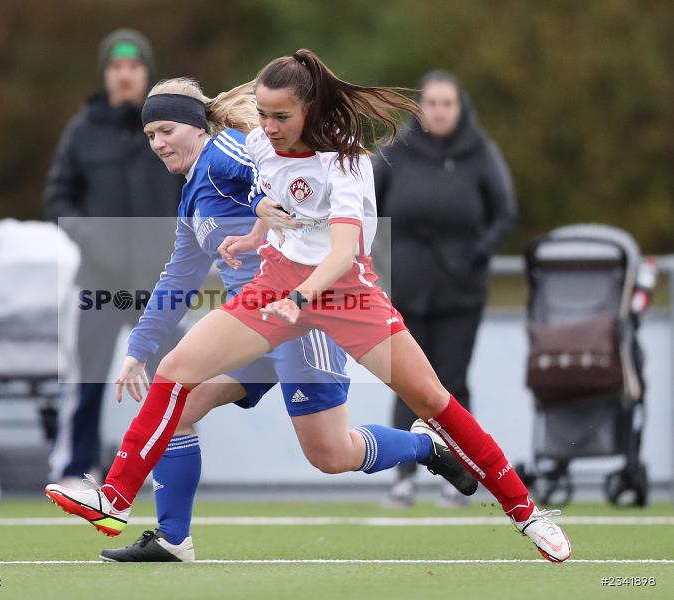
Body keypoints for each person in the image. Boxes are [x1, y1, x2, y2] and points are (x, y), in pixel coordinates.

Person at [46, 49, 572, 563]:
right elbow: (264, 197)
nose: (268, 127)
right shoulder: (255, 143)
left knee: (425, 403)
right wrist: (255, 235)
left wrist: (299, 296)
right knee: (176, 372)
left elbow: (342, 251)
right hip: (276, 290)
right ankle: (116, 500)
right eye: (265, 114)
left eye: (281, 117)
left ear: (310, 110)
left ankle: (525, 511)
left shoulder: (343, 160)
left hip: (345, 294)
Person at [43, 29, 183, 487]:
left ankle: (163, 465)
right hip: (99, 279)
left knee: (172, 377)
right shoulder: (83, 131)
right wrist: (90, 238)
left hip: (158, 281)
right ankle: (75, 469)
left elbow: (196, 188)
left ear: (147, 74)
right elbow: (59, 195)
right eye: (116, 67)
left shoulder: (168, 129)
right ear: (106, 74)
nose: (125, 75)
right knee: (88, 380)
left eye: (134, 67)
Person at [374, 70, 517, 508]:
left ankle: (461, 474)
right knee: (409, 384)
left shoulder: (479, 152)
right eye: (431, 103)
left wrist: (475, 254)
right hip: (406, 288)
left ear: (459, 107)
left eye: (446, 103)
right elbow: (363, 208)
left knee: (451, 383)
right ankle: (402, 477)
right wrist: (379, 260)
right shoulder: (397, 149)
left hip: (461, 291)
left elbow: (504, 213)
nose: (438, 111)